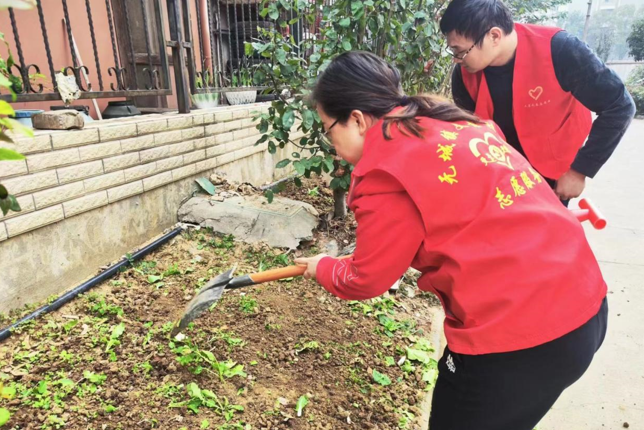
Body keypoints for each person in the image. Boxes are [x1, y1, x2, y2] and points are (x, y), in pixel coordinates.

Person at [294, 51, 608, 430]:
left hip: (520, 340)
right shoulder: (452, 122)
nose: (331, 144)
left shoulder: (383, 171)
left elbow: (366, 278)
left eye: (328, 129)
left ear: (357, 119)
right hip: (585, 307)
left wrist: (323, 268)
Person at [435, 0, 635, 204]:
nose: (456, 59)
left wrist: (580, 171)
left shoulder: (559, 50)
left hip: (555, 171)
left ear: (494, 36)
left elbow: (620, 106)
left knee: (547, 222)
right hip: (502, 171)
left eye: (460, 51)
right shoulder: (465, 74)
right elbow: (469, 131)